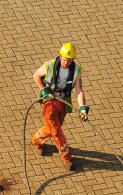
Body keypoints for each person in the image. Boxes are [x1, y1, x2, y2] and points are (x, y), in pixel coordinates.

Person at [31, 42, 90, 171]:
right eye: (64, 60)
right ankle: (66, 157)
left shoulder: (76, 71)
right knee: (57, 132)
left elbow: (79, 90)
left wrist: (83, 108)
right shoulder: (50, 65)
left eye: (69, 61)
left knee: (52, 129)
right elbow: (36, 76)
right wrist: (43, 90)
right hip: (49, 104)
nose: (66, 63)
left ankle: (36, 140)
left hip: (63, 105)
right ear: (60, 56)